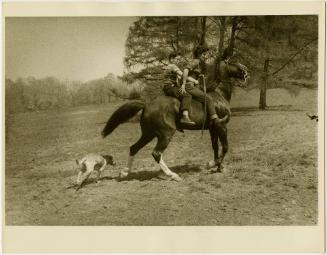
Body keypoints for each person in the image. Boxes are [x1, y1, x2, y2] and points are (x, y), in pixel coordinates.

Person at [181, 45, 220, 125]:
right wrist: (185, 84)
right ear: (199, 54)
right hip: (189, 86)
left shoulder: (200, 63)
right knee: (208, 99)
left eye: (206, 55)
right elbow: (185, 70)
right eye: (204, 54)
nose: (206, 57)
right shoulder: (195, 61)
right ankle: (214, 119)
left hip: (193, 86)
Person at [163, 52, 197, 125]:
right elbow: (182, 75)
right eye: (177, 59)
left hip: (167, 88)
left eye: (179, 60)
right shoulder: (172, 66)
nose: (178, 61)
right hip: (170, 88)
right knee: (187, 95)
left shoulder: (168, 66)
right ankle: (185, 116)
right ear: (172, 59)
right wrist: (194, 81)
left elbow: (179, 78)